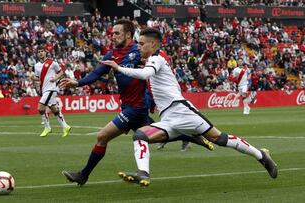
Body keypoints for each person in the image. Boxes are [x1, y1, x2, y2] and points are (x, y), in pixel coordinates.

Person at [101, 28, 278, 187]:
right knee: (140, 135)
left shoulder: (157, 58)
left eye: (141, 43)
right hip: (169, 118)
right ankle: (143, 173)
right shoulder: (153, 60)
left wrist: (119, 67)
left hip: (182, 111)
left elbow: (146, 74)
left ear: (153, 44)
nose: (138, 47)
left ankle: (261, 156)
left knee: (220, 139)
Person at [59, 19, 213, 186]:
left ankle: (83, 175)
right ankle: (191, 136)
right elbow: (96, 73)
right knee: (155, 135)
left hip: (136, 107)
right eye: (112, 33)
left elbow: (153, 76)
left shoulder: (139, 51)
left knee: (102, 136)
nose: (113, 36)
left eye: (117, 33)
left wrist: (152, 100)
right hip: (128, 105)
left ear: (128, 35)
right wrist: (78, 83)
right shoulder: (111, 55)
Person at [32, 45, 71, 137]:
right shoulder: (36, 65)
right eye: (38, 52)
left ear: (45, 52)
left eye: (42, 51)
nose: (40, 53)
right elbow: (38, 78)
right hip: (44, 89)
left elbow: (61, 71)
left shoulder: (52, 63)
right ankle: (65, 126)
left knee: (40, 108)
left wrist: (55, 78)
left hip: (51, 89)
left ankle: (47, 127)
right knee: (54, 109)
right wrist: (33, 78)